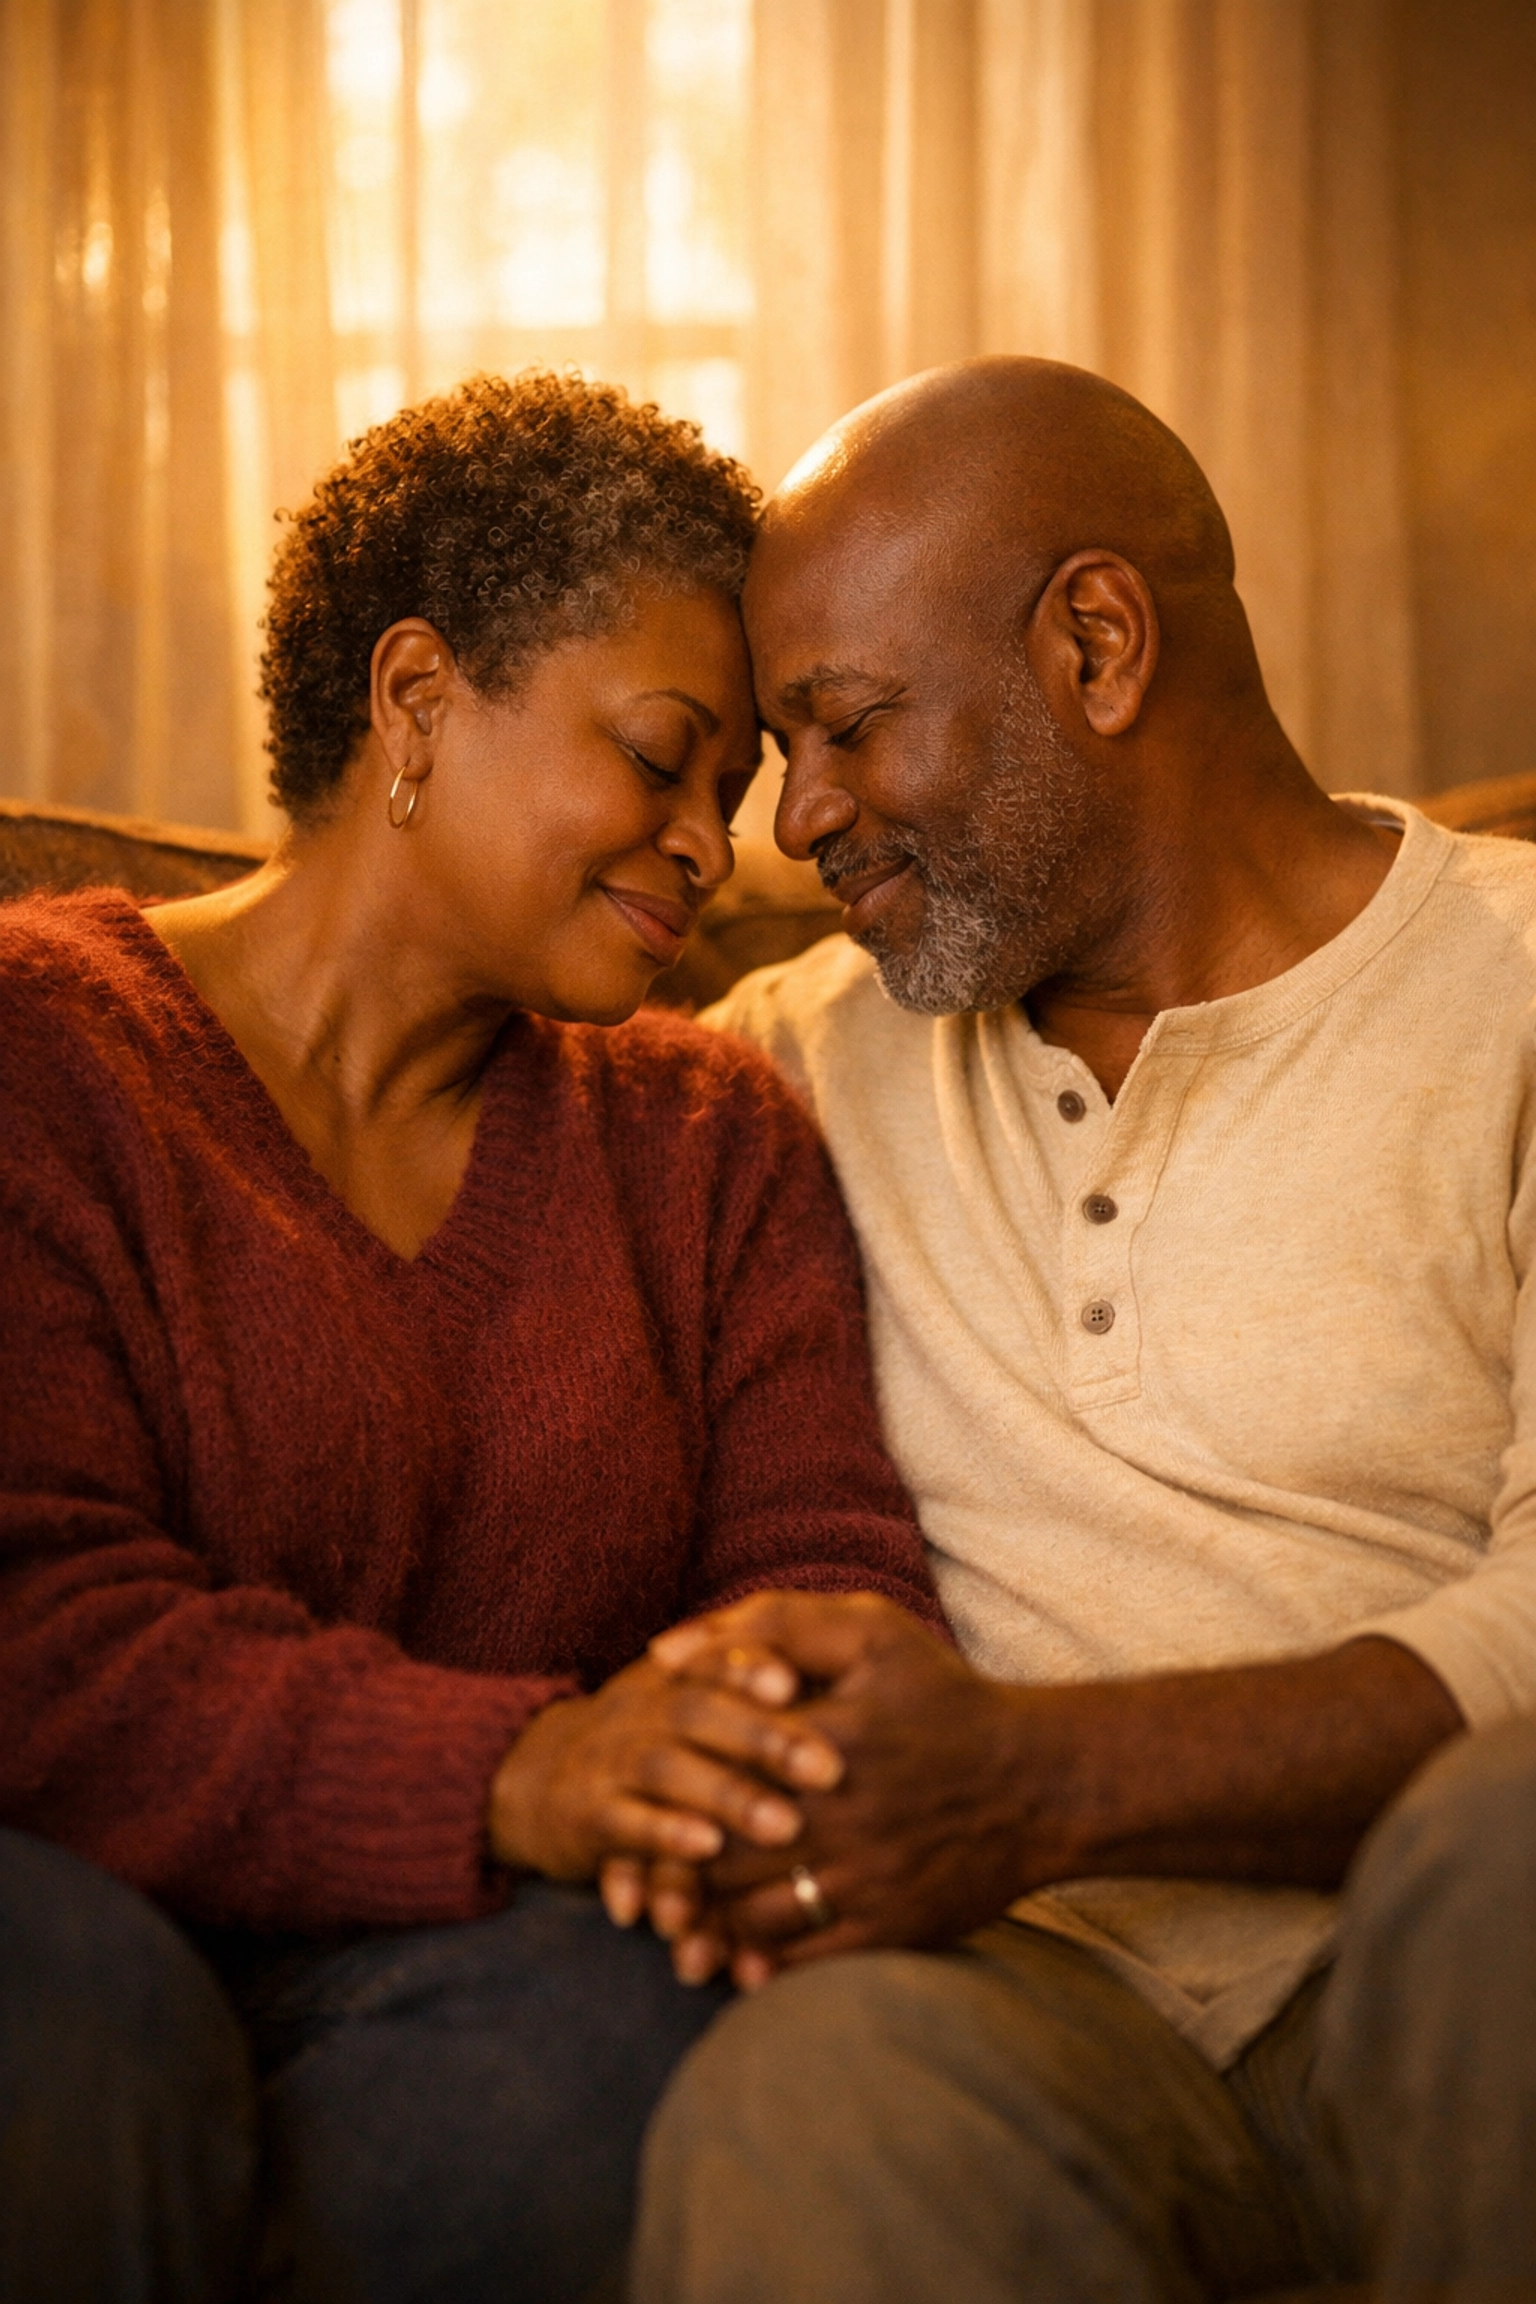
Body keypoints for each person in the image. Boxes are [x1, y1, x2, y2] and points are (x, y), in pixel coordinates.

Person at [0, 369, 939, 2304]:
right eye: (661, 757)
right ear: (419, 698)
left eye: (733, 794)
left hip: (484, 1981)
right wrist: (516, 1765)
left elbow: (827, 1572)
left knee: (639, 2045)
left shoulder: (705, 1142)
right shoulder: (43, 1057)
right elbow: (39, 1632)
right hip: (71, 1921)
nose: (711, 848)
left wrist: (754, 1733)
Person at [622, 357, 1536, 2303]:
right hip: (1047, 2026)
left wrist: (1035, 1781)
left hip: (1449, 1963)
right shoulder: (779, 1064)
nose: (797, 823)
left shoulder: (1521, 991)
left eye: (848, 727)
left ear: (1099, 644)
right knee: (817, 2086)